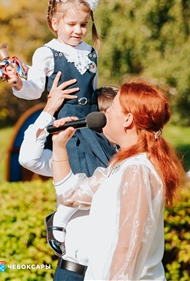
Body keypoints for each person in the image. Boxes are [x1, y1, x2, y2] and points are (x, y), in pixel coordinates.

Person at [4, 0, 116, 252]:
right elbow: (34, 88)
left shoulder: (90, 52)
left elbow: (93, 90)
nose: (79, 31)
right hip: (66, 124)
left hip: (91, 125)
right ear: (55, 22)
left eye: (83, 25)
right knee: (75, 175)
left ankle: (77, 225)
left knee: (102, 177)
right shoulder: (47, 52)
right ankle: (59, 219)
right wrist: (19, 84)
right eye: (72, 24)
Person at [48, 81, 184, 280]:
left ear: (127, 119)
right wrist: (59, 147)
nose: (105, 113)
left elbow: (128, 248)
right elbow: (70, 197)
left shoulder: (136, 169)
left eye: (112, 107)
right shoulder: (121, 167)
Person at [18, 73, 118, 256]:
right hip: (77, 261)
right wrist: (49, 111)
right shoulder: (72, 154)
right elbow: (28, 158)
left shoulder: (126, 156)